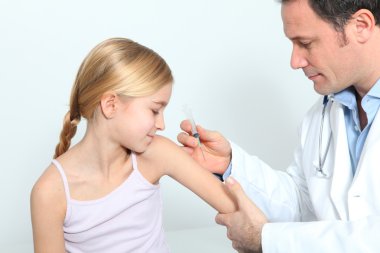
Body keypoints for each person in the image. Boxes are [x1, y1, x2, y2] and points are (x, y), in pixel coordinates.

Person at [177, 0, 380, 252]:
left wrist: (267, 240)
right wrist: (229, 164)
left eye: (305, 44)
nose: (295, 61)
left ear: (361, 26)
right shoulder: (324, 113)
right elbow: (303, 204)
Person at [30, 37, 236, 253]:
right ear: (110, 105)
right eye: (155, 110)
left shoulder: (156, 153)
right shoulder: (50, 192)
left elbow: (240, 211)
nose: (162, 124)